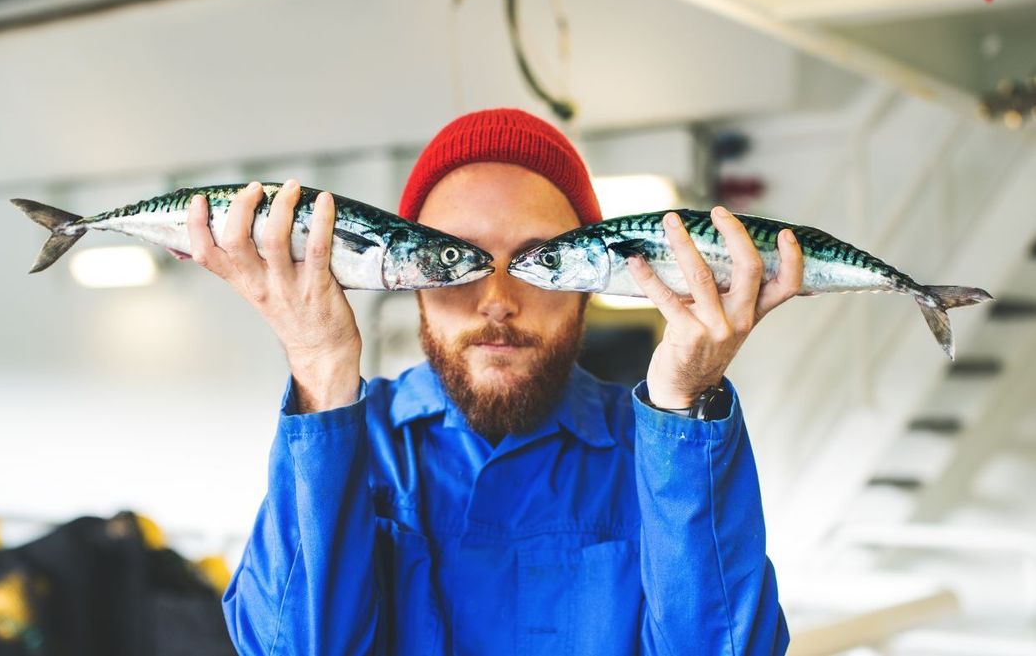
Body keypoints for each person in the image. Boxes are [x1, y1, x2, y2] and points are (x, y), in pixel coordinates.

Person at [187, 108, 803, 655]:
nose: (498, 300)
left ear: (590, 279)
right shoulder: (353, 438)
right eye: (457, 258)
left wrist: (686, 403)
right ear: (409, 276)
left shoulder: (659, 448)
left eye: (541, 261)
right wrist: (318, 365)